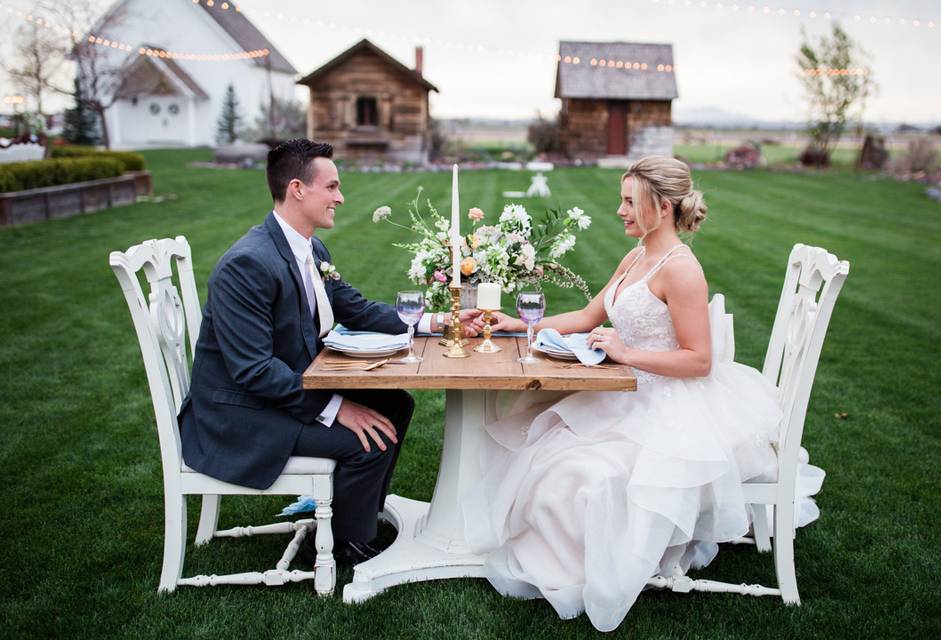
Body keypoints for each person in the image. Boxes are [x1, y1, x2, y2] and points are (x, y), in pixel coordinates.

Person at [463, 156, 819, 631]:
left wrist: (626, 354)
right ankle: (567, 553)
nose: (620, 210)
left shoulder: (682, 269)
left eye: (630, 201)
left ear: (663, 206)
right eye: (622, 199)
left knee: (579, 471)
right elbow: (589, 317)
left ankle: (594, 569)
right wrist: (521, 323)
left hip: (672, 401)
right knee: (539, 437)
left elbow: (699, 360)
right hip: (629, 390)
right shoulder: (635, 257)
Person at [179, 139, 480, 567]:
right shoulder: (247, 264)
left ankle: (353, 519)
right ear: (298, 188)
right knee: (367, 440)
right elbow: (254, 371)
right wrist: (336, 407)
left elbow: (352, 307)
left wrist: (439, 322)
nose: (341, 197)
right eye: (333, 187)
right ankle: (349, 548)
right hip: (239, 416)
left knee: (395, 404)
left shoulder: (311, 248)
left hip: (275, 395)